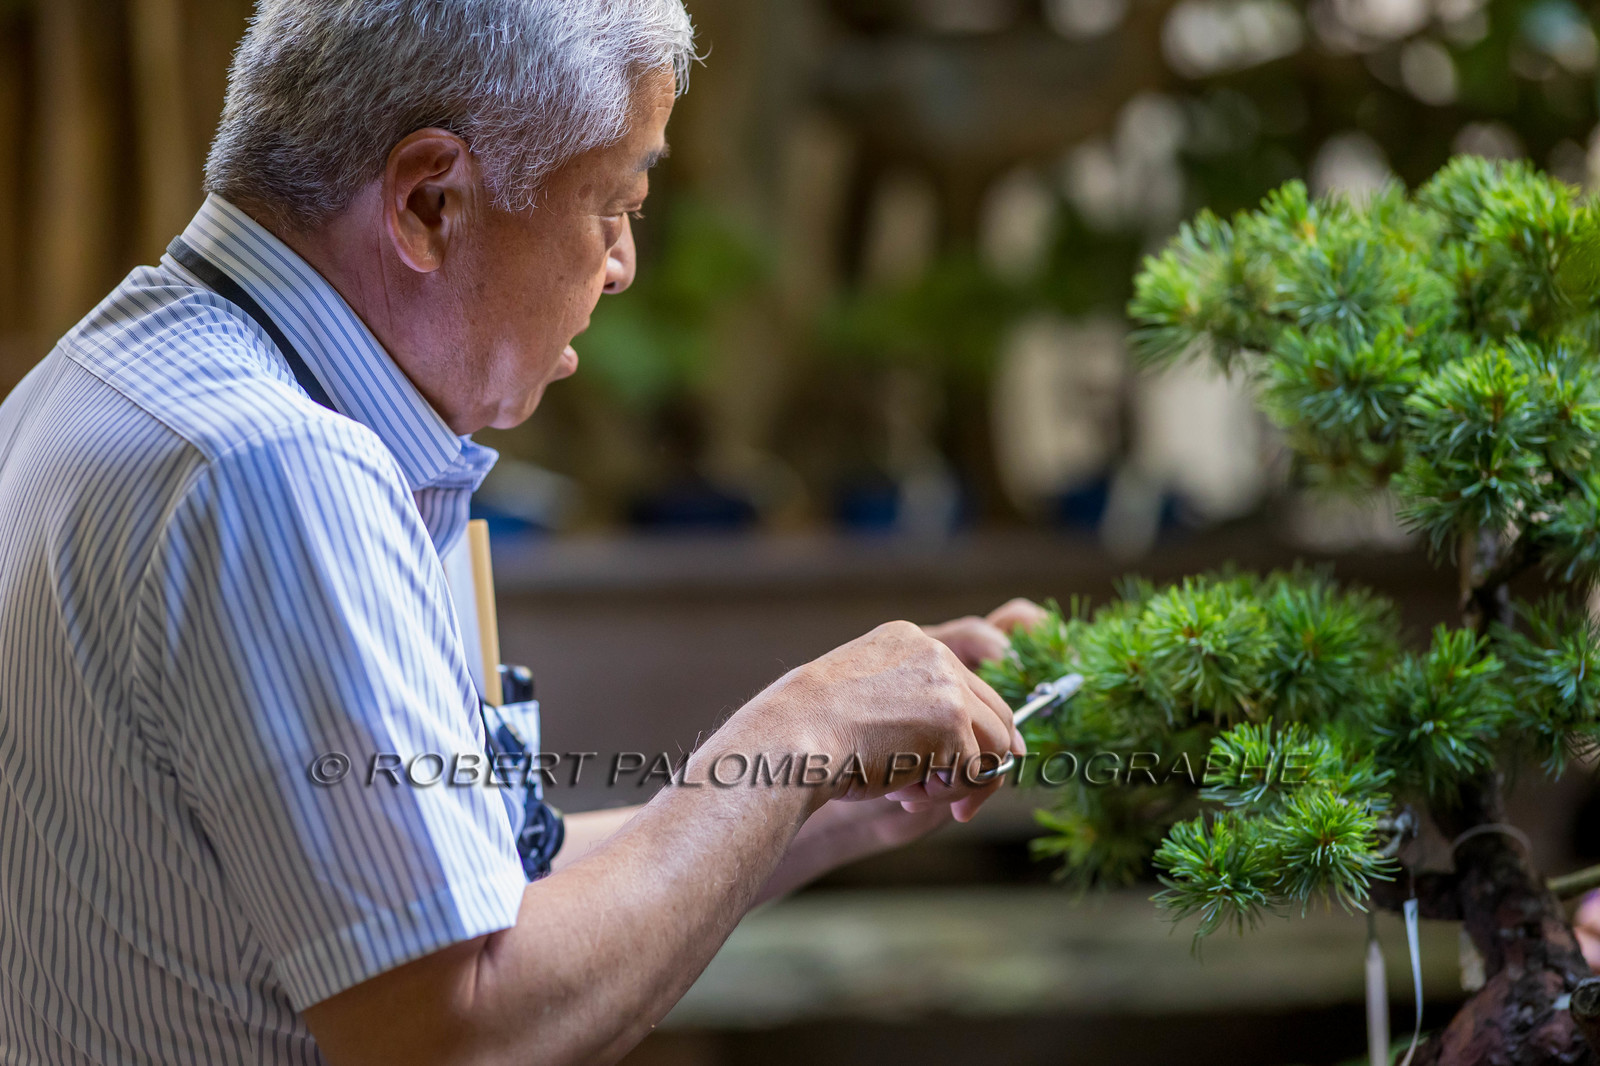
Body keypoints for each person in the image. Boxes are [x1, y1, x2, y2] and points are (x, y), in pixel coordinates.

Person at [0, 2, 1049, 1064]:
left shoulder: (93, 379)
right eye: (616, 202)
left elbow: (468, 892)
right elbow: (462, 1021)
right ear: (430, 201)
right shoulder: (276, 469)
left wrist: (832, 790)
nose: (625, 261)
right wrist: (803, 726)